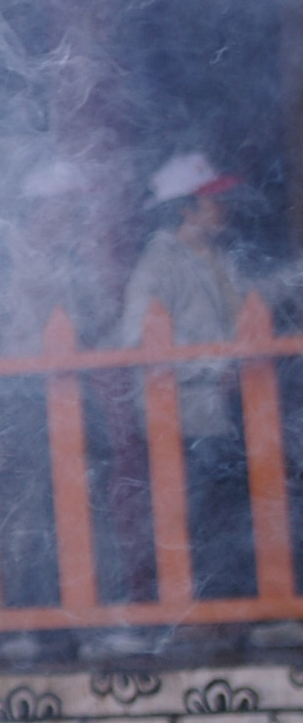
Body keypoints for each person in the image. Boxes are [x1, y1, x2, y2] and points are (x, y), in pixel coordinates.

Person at [114, 152, 254, 600]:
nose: (222, 208)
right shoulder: (158, 265)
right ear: (185, 210)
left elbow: (245, 313)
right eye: (211, 201)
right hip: (184, 415)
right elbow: (138, 341)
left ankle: (229, 608)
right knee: (194, 517)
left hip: (219, 413)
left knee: (228, 513)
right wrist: (214, 367)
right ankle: (194, 613)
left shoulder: (215, 256)